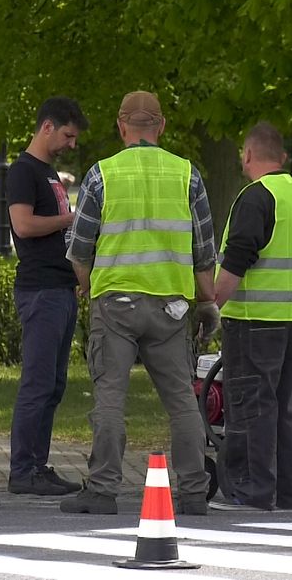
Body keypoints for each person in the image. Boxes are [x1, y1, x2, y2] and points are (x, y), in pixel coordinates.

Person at [62, 90, 219, 516]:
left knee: (110, 398)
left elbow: (79, 249)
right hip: (172, 307)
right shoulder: (187, 175)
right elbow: (204, 252)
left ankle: (102, 490)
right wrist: (207, 303)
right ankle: (192, 493)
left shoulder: (102, 174)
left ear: (120, 126)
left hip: (116, 302)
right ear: (162, 126)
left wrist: (90, 286)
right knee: (183, 401)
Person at [210, 121, 292, 512]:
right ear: (283, 157)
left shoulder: (255, 197)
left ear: (249, 155)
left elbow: (238, 258)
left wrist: (210, 306)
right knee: (283, 406)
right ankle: (285, 493)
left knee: (250, 405)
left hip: (253, 320)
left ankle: (252, 491)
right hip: (290, 319)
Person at [6, 97, 89, 496]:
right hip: (40, 291)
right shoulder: (24, 172)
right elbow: (22, 225)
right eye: (68, 136)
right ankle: (23, 469)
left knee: (54, 385)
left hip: (60, 288)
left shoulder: (49, 173)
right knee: (38, 384)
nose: (71, 145)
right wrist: (72, 217)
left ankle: (38, 464)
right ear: (47, 127)